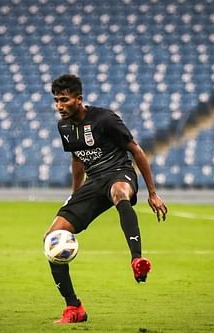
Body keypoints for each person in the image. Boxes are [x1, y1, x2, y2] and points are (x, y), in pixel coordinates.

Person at [44, 74, 168, 324]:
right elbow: (77, 159)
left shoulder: (105, 119)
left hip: (119, 172)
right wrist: (75, 194)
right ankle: (74, 308)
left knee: (119, 193)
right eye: (56, 100)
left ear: (79, 99)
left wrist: (152, 192)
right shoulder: (64, 127)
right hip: (94, 181)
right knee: (51, 238)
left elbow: (136, 151)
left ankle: (137, 259)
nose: (59, 106)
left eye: (64, 100)